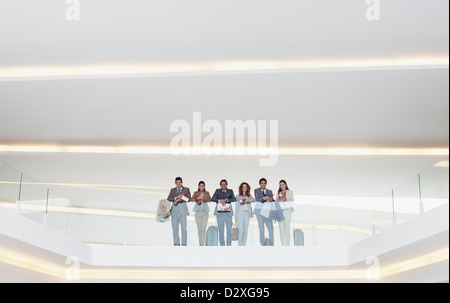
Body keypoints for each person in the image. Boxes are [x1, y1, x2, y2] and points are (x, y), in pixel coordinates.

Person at [167, 177, 191, 246]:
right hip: (174, 211)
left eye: (179, 182)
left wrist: (181, 197)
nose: (178, 183)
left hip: (183, 211)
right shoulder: (172, 190)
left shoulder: (186, 189)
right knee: (175, 229)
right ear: (175, 183)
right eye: (177, 182)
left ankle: (184, 244)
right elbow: (169, 198)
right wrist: (176, 198)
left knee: (183, 229)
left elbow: (189, 199)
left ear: (182, 182)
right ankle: (176, 244)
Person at [212, 179, 236, 246]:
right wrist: (220, 200)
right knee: (221, 231)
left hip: (228, 214)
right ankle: (222, 245)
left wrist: (226, 200)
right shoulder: (217, 191)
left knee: (229, 231)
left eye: (225, 184)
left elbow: (234, 199)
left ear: (226, 185)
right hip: (220, 214)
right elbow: (213, 198)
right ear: (220, 185)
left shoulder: (230, 191)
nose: (223, 185)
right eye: (222, 184)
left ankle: (229, 245)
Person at [254, 178, 275, 246]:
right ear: (260, 184)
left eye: (264, 183)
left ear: (266, 184)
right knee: (261, 228)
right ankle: (262, 244)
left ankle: (271, 244)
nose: (263, 184)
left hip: (267, 213)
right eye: (262, 183)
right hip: (259, 212)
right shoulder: (256, 190)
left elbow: (272, 201)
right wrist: (264, 198)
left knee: (270, 228)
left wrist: (271, 199)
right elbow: (257, 199)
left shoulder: (270, 191)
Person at [191, 181, 212, 246]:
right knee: (199, 229)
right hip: (197, 212)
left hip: (205, 212)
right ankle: (200, 243)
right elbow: (192, 199)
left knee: (203, 229)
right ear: (198, 186)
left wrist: (203, 199)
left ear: (204, 186)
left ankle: (202, 244)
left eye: (203, 186)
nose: (201, 187)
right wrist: (197, 198)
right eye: (200, 186)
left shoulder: (207, 193)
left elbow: (210, 199)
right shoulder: (196, 193)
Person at [234, 182, 255, 246]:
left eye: (246, 187)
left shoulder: (249, 196)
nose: (244, 188)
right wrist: (235, 218)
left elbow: (254, 200)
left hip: (247, 214)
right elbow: (236, 207)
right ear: (241, 188)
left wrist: (248, 200)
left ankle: (244, 245)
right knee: (241, 231)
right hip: (240, 214)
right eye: (243, 187)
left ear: (247, 188)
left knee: (245, 231)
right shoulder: (238, 196)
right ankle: (240, 245)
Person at [276, 180, 295, 246]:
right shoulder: (278, 193)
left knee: (287, 230)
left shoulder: (289, 192)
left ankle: (287, 245)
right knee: (281, 231)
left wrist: (286, 200)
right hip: (280, 213)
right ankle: (283, 245)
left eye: (283, 184)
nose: (282, 186)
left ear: (286, 185)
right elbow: (276, 204)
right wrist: (278, 201)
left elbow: (292, 202)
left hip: (287, 212)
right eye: (280, 185)